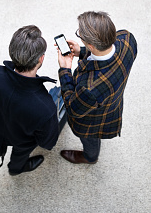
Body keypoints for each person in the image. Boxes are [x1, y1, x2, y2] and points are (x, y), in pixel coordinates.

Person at [0, 25, 64, 176]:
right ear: (41, 59)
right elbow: (47, 142)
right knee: (20, 154)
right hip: (22, 141)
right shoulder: (45, 107)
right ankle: (16, 169)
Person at [56, 11, 137, 164]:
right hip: (113, 104)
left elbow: (73, 108)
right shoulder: (128, 39)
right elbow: (107, 48)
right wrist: (82, 51)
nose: (79, 35)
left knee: (90, 139)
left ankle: (90, 157)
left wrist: (65, 70)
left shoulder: (89, 88)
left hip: (93, 120)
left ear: (92, 45)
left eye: (80, 35)